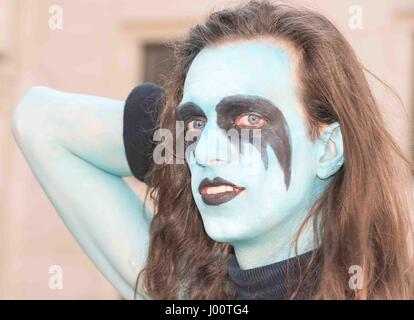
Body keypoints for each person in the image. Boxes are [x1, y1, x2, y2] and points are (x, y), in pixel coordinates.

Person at [11, 0, 414, 300]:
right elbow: (37, 118)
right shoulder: (192, 295)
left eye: (249, 120)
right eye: (195, 123)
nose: (204, 153)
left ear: (328, 149)